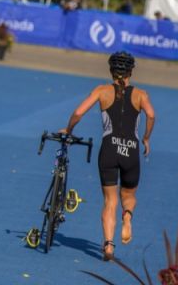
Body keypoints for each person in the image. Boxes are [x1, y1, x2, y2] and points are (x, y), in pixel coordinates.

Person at [61, 51, 155, 261]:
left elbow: (78, 112)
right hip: (131, 150)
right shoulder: (141, 94)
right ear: (131, 71)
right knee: (128, 196)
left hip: (109, 150)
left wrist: (69, 130)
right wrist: (146, 139)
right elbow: (150, 114)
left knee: (109, 200)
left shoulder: (102, 90)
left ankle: (109, 246)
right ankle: (128, 217)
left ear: (111, 71)